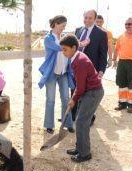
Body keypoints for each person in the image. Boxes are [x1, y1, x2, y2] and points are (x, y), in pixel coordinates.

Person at [60, 34, 104, 163]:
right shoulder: (76, 57)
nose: (63, 52)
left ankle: (85, 154)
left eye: (65, 49)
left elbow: (81, 86)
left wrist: (73, 99)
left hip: (93, 93)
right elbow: (81, 86)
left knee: (81, 122)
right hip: (88, 92)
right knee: (80, 120)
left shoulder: (79, 61)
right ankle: (79, 148)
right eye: (62, 49)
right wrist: (75, 98)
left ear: (74, 48)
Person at [38, 15, 75, 134]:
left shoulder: (64, 37)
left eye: (65, 26)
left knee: (65, 99)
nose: (64, 28)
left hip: (63, 73)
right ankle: (49, 125)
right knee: (50, 100)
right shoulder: (48, 38)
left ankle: (68, 123)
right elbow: (60, 48)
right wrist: (78, 44)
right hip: (52, 74)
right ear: (56, 24)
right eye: (63, 26)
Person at [73, 9, 108, 125]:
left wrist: (101, 70)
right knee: (75, 90)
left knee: (88, 95)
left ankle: (89, 118)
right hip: (76, 68)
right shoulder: (78, 30)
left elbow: (103, 54)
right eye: (85, 17)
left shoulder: (101, 34)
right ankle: (74, 116)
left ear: (94, 19)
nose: (87, 20)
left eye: (90, 18)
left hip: (91, 70)